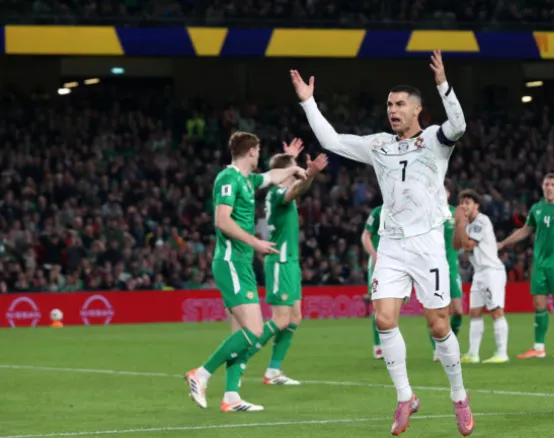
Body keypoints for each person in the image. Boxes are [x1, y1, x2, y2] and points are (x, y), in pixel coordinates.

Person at [290, 50, 475, 436]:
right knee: (384, 319)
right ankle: (405, 397)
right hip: (391, 244)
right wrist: (308, 102)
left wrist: (443, 84)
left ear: (417, 109)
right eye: (389, 104)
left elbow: (458, 124)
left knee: (438, 325)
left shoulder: (434, 139)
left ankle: (459, 396)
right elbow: (331, 140)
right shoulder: (378, 145)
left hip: (428, 244)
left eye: (400, 104)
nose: (392, 110)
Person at [185, 132, 307, 412]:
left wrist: (294, 168)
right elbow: (222, 220)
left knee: (241, 334)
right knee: (254, 330)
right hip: (231, 262)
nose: (259, 156)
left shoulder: (247, 180)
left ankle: (231, 397)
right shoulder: (228, 178)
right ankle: (200, 375)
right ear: (251, 151)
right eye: (258, 151)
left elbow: (272, 176)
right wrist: (255, 242)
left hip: (241, 263)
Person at [262, 139, 329, 385]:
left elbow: (298, 186)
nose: (297, 169)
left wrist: (297, 164)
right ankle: (240, 353)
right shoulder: (277, 193)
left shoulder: (284, 193)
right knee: (280, 320)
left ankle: (273, 371)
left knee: (294, 318)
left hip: (290, 262)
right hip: (279, 262)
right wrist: (309, 174)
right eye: (293, 167)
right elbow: (296, 190)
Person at [498, 173, 554, 360]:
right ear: (543, 187)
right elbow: (525, 230)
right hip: (540, 263)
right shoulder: (537, 208)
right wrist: (503, 243)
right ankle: (539, 347)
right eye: (546, 184)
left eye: (553, 185)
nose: (549, 188)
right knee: (538, 304)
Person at [453, 189, 509, 364]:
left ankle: (502, 353)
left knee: (496, 310)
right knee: (475, 312)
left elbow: (468, 245)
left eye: (467, 203)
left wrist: (461, 225)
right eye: (462, 203)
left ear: (476, 205)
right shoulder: (466, 224)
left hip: (491, 271)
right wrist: (458, 223)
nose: (464, 206)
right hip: (479, 273)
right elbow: (455, 245)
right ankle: (473, 354)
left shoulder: (481, 221)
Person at [432, 188, 464, 362]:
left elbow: (461, 240)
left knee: (458, 311)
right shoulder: (429, 213)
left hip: (451, 268)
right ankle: (440, 349)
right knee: (439, 312)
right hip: (433, 269)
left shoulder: (455, 213)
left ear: (449, 194)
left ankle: (448, 343)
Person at [362, 204, 384, 360]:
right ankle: (378, 346)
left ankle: (389, 343)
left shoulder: (404, 211)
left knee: (393, 306)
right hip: (378, 264)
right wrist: (374, 254)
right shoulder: (377, 212)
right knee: (378, 306)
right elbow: (366, 235)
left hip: (397, 265)